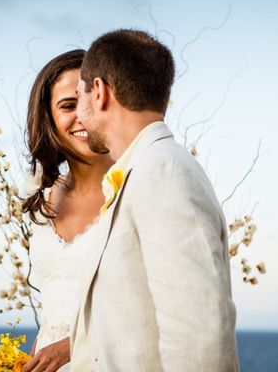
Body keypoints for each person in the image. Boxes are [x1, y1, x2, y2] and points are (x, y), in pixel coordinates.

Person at [70, 29, 239, 371]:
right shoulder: (142, 170)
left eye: (78, 98)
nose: (78, 115)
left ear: (99, 92)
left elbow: (198, 332)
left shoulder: (163, 171)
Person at [22, 49, 113, 372]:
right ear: (48, 116)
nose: (83, 115)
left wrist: (73, 346)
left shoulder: (133, 189)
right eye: (68, 105)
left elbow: (154, 304)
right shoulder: (42, 198)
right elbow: (53, 308)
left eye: (90, 100)